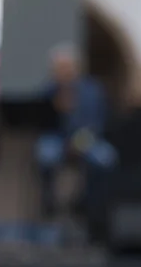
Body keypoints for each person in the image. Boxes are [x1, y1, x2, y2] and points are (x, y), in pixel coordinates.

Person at [35, 43, 117, 217]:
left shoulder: (93, 90)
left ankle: (86, 201)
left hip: (85, 138)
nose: (64, 71)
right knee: (45, 155)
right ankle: (49, 200)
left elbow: (98, 121)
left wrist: (79, 142)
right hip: (57, 138)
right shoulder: (48, 90)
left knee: (106, 158)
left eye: (67, 67)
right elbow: (43, 124)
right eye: (59, 67)